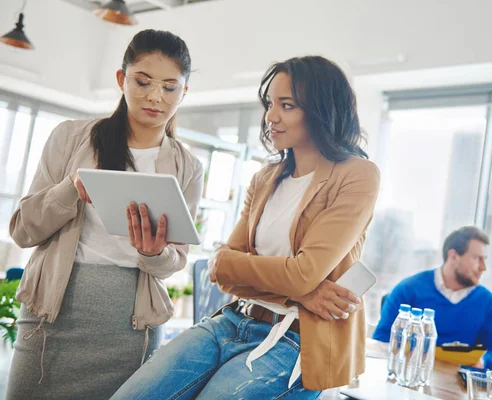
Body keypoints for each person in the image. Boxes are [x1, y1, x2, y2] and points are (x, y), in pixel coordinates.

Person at [111, 55, 381, 399]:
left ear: (322, 111)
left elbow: (302, 272)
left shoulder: (357, 174)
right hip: (233, 320)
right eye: (270, 104)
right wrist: (302, 292)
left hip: (297, 339)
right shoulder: (265, 177)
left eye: (287, 105)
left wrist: (285, 280)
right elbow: (220, 268)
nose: (271, 116)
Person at [6, 29, 203, 400]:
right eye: (142, 82)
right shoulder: (70, 138)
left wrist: (152, 253)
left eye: (169, 87)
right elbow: (22, 230)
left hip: (129, 329)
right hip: (51, 317)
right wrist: (68, 189)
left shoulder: (187, 166)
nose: (154, 97)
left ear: (184, 93)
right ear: (121, 79)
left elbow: (175, 261)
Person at [373, 226, 492, 370]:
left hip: (455, 385)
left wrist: (482, 362)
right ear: (453, 257)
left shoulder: (487, 301)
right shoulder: (408, 289)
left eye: (484, 259)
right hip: (411, 376)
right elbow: (380, 341)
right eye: (477, 259)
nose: (483, 267)